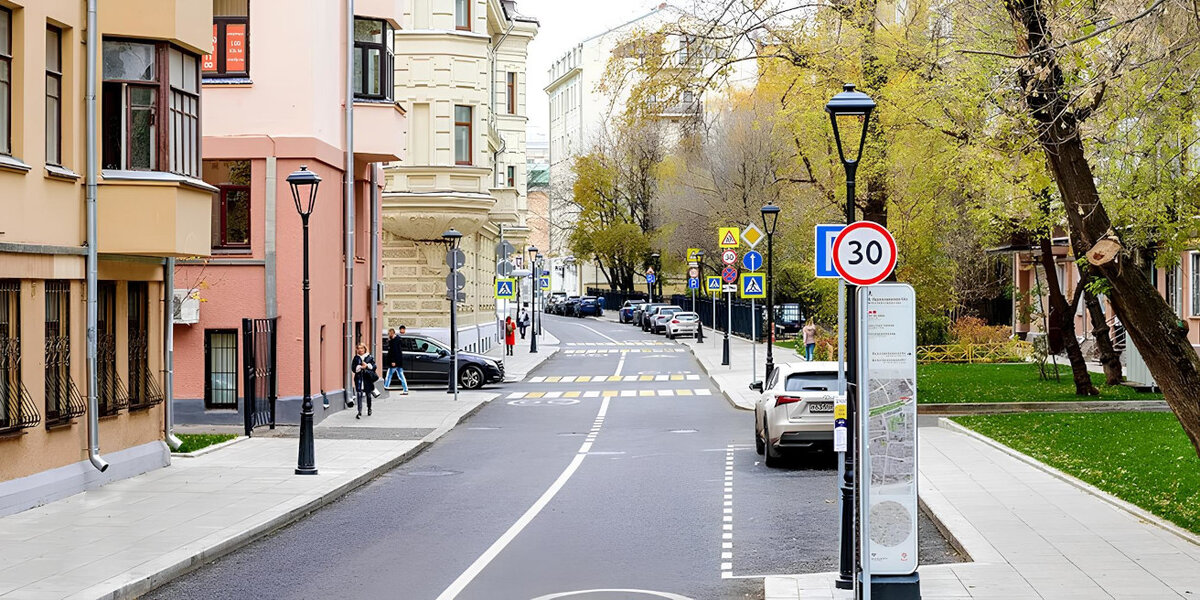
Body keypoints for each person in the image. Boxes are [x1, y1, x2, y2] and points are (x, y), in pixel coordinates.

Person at [351, 343, 377, 419]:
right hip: (359, 378)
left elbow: (374, 367)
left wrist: (367, 366)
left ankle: (369, 408)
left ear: (365, 349)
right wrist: (360, 367)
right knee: (359, 394)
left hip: (367, 378)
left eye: (362, 348)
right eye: (358, 348)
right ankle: (359, 411)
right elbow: (353, 368)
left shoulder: (369, 357)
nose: (360, 350)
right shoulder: (356, 358)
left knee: (368, 395)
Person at [384, 326, 409, 394]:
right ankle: (405, 389)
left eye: (389, 334)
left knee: (389, 375)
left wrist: (393, 361)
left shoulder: (394, 341)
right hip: (398, 361)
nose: (388, 335)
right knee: (401, 375)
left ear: (392, 333)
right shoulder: (398, 340)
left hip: (395, 362)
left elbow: (394, 352)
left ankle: (386, 387)